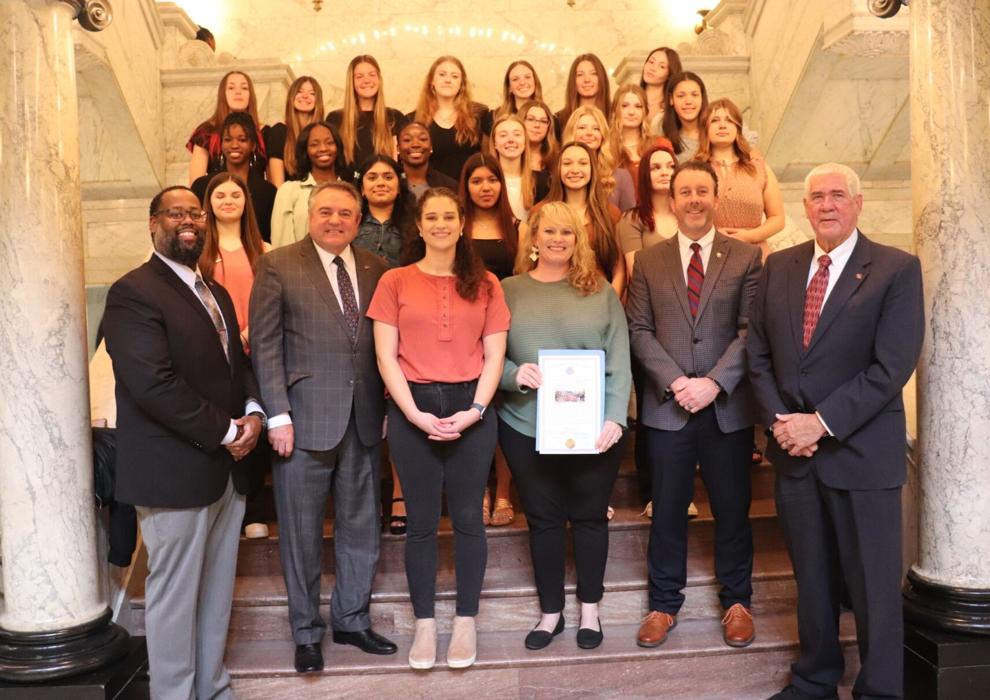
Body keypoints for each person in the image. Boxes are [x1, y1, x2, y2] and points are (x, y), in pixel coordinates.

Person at [747, 163, 924, 700]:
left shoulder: (895, 269)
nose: (827, 205)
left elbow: (891, 367)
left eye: (838, 195)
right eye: (817, 196)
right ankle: (814, 680)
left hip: (861, 455)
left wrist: (819, 424)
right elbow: (758, 353)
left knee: (874, 587)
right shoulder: (779, 267)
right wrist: (780, 422)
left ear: (858, 203)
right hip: (795, 456)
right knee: (813, 581)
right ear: (804, 207)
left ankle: (880, 690)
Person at [103, 186, 265, 700]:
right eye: (176, 213)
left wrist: (254, 412)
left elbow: (237, 368)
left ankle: (212, 688)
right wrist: (228, 431)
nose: (188, 221)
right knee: (174, 598)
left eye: (195, 213)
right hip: (172, 472)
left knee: (215, 595)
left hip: (226, 472)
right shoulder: (132, 292)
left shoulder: (215, 292)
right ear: (153, 223)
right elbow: (153, 384)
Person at [249, 181, 397, 674]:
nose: (336, 220)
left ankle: (352, 620)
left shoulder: (377, 268)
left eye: (346, 213)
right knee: (301, 533)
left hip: (364, 419)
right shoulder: (277, 264)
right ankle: (307, 632)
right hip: (302, 421)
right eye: (326, 212)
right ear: (309, 215)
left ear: (358, 220)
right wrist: (277, 414)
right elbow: (265, 345)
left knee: (361, 526)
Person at [368, 188, 509, 670]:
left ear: (462, 223)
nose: (441, 224)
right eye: (432, 217)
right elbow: (385, 356)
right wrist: (411, 413)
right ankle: (425, 622)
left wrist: (476, 410)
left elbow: (495, 354)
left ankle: (466, 618)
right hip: (413, 406)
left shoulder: (486, 283)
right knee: (422, 523)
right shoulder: (395, 280)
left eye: (450, 216)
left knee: (469, 518)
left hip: (472, 406)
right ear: (420, 225)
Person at [626, 160, 763, 651]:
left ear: (716, 196)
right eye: (685, 192)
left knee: (732, 510)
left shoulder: (746, 257)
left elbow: (751, 331)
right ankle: (663, 604)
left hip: (726, 409)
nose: (694, 200)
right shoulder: (648, 261)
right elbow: (638, 330)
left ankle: (738, 602)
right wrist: (678, 382)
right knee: (666, 511)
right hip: (668, 408)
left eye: (702, 191)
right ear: (672, 199)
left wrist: (713, 384)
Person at [499, 201, 630, 651]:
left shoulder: (600, 292)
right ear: (533, 237)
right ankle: (550, 613)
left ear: (579, 240)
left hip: (594, 429)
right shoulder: (508, 290)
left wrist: (615, 416)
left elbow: (619, 360)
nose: (558, 239)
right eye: (549, 231)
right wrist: (513, 374)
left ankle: (590, 610)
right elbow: (489, 355)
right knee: (543, 520)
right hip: (525, 425)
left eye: (567, 232)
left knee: (590, 518)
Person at [200, 173, 272, 539]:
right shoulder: (199, 252)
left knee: (255, 422)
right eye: (220, 195)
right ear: (209, 204)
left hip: (256, 351)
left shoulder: (265, 250)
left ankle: (254, 510)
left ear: (246, 202)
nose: (228, 200)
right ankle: (220, 508)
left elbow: (273, 304)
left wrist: (246, 333)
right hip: (213, 354)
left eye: (235, 194)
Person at [616, 141, 679, 509]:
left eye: (669, 166)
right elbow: (638, 271)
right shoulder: (633, 220)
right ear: (644, 174)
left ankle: (680, 491)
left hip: (691, 326)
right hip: (648, 324)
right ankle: (652, 493)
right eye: (656, 167)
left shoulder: (688, 214)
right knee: (652, 408)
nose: (664, 172)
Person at [461, 153, 520, 527]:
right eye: (477, 180)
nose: (485, 187)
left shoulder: (517, 227)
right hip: (465, 327)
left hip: (506, 326)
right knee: (473, 407)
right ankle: (479, 489)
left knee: (503, 410)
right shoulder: (458, 226)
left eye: (492, 180)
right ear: (465, 186)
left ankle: (503, 492)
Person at [696, 98, 784, 259]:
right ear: (705, 128)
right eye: (715, 120)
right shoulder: (693, 170)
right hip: (708, 254)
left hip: (754, 255)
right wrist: (711, 235)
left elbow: (777, 218)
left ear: (738, 128)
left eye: (729, 120)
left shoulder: (759, 167)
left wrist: (750, 236)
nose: (722, 125)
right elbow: (681, 216)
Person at [535, 141, 625, 298]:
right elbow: (530, 263)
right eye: (567, 163)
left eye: (583, 163)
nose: (575, 170)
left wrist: (610, 302)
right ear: (558, 169)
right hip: (551, 298)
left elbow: (619, 271)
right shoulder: (540, 212)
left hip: (597, 297)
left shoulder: (610, 213)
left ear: (592, 169)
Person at [191, 112, 277, 243]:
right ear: (221, 144)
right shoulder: (202, 186)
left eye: (242, 140)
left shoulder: (268, 192)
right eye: (228, 140)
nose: (234, 145)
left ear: (253, 145)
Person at [410, 56, 491, 182]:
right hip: (432, 191)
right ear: (432, 81)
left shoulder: (480, 115)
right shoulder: (414, 120)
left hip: (470, 190)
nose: (448, 80)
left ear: (461, 84)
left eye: (454, 76)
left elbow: (488, 159)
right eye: (442, 74)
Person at [327, 55, 407, 178]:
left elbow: (405, 165)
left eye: (372, 75)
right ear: (351, 82)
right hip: (347, 188)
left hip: (385, 188)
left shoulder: (395, 118)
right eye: (359, 76)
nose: (366, 80)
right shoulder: (335, 119)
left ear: (379, 79)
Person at [270, 121, 345, 248]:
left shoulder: (348, 192)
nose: (323, 148)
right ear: (305, 150)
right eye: (314, 144)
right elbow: (281, 245)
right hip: (297, 260)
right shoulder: (289, 191)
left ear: (338, 147)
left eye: (329, 143)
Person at [186, 70, 265, 183]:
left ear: (250, 94)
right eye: (231, 88)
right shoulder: (206, 131)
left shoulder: (264, 132)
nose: (238, 92)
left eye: (244, 88)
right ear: (223, 94)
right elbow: (195, 183)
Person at [562, 106, 636, 212]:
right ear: (571, 133)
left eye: (596, 128)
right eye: (582, 128)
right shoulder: (560, 172)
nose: (589, 133)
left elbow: (629, 219)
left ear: (603, 136)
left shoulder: (621, 177)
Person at [353, 154, 416, 268]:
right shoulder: (350, 223)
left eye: (388, 177)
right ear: (362, 189)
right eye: (372, 178)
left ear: (399, 187)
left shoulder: (416, 224)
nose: (380, 183)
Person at [264, 75, 326, 187]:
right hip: (287, 196)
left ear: (318, 101)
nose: (305, 96)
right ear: (291, 97)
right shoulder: (279, 132)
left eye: (312, 93)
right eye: (300, 91)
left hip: (319, 194)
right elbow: (278, 186)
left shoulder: (325, 133)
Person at [489, 114, 536, 222]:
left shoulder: (541, 182)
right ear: (494, 143)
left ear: (525, 142)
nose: (511, 140)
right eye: (503, 135)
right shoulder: (486, 182)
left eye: (517, 134)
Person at [396, 120, 458, 201]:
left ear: (431, 147)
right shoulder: (390, 184)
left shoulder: (449, 186)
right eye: (407, 140)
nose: (415, 144)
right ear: (398, 148)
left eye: (423, 139)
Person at [554, 53, 611, 140]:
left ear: (602, 78)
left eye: (594, 73)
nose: (587, 80)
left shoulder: (614, 115)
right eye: (580, 75)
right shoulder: (558, 120)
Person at [662, 71, 709, 162]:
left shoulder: (716, 132)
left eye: (694, 95)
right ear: (671, 99)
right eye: (681, 96)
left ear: (702, 98)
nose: (688, 101)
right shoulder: (665, 141)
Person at [639, 47, 682, 136]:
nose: (652, 68)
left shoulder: (673, 105)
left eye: (661, 66)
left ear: (670, 74)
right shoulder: (631, 98)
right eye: (651, 62)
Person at [519, 99, 558, 187]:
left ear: (549, 126)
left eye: (543, 121)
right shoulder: (510, 156)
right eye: (531, 119)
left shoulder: (557, 159)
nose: (537, 125)